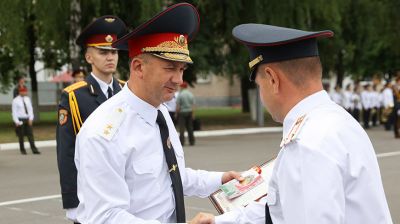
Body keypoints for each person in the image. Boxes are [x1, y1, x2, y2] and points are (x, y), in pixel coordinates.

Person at [190, 24, 392, 224]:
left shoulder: (307, 144)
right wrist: (222, 221)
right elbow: (281, 206)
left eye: (259, 85)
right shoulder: (335, 120)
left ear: (272, 79)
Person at [74, 3, 242, 223]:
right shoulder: (103, 133)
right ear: (138, 68)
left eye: (182, 69)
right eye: (170, 68)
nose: (179, 80)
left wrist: (220, 180)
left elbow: (171, 175)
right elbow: (105, 216)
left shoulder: (160, 113)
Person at [56, 15, 127, 223]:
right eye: (103, 52)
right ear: (89, 58)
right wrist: (72, 202)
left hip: (125, 191)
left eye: (114, 51)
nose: (110, 57)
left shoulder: (127, 91)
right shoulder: (74, 96)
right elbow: (66, 153)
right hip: (91, 194)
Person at [11, 86, 40, 155]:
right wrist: (16, 121)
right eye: (23, 91)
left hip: (27, 119)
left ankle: (34, 149)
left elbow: (30, 109)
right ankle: (22, 150)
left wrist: (31, 118)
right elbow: (14, 112)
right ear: (20, 92)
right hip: (20, 119)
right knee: (21, 136)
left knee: (30, 135)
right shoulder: (15, 100)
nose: (24, 92)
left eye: (25, 91)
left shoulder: (27, 99)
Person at [176, 81, 196, 146]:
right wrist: (193, 113)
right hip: (189, 112)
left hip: (182, 112)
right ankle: (192, 141)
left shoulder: (180, 94)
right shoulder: (190, 94)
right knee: (190, 127)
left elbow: (178, 105)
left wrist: (176, 113)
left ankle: (182, 142)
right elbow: (193, 105)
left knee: (182, 128)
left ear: (182, 87)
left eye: (180, 86)